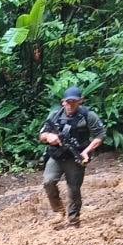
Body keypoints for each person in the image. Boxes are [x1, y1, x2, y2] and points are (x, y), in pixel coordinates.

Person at [38, 87, 106, 229]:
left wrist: (87, 151)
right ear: (63, 102)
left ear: (80, 101)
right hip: (56, 155)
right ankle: (58, 211)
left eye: (74, 102)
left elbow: (100, 135)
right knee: (48, 181)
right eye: (68, 102)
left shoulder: (88, 115)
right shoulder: (55, 115)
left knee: (73, 189)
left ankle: (73, 221)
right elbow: (42, 134)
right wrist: (49, 137)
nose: (70, 105)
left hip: (76, 157)